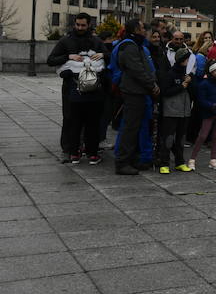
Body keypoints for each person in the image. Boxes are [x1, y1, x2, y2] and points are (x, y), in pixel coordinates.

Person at [47, 12, 108, 164]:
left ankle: (91, 151)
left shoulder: (96, 40)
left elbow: (109, 55)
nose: (80, 28)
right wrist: (68, 56)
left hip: (93, 89)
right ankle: (68, 151)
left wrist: (102, 54)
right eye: (78, 25)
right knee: (70, 120)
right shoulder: (65, 41)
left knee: (92, 122)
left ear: (89, 25)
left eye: (83, 25)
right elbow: (51, 60)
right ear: (74, 24)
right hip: (71, 89)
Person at [113, 19, 159, 175]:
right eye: (142, 28)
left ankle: (131, 159)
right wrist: (151, 85)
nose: (145, 30)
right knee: (130, 128)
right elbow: (137, 70)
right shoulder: (129, 46)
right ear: (136, 30)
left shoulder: (136, 45)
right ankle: (122, 162)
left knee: (136, 127)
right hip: (133, 92)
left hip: (139, 92)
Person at [156, 47, 193, 173]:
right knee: (168, 138)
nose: (189, 61)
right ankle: (164, 163)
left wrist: (190, 82)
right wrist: (181, 86)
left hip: (184, 111)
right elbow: (165, 92)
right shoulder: (170, 74)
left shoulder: (186, 74)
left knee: (181, 139)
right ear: (182, 60)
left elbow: (192, 92)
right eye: (187, 59)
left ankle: (180, 162)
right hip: (171, 111)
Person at [189, 61, 216, 171]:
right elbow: (201, 100)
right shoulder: (204, 84)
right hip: (209, 112)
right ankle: (192, 159)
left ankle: (213, 159)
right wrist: (211, 105)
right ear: (211, 71)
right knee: (203, 135)